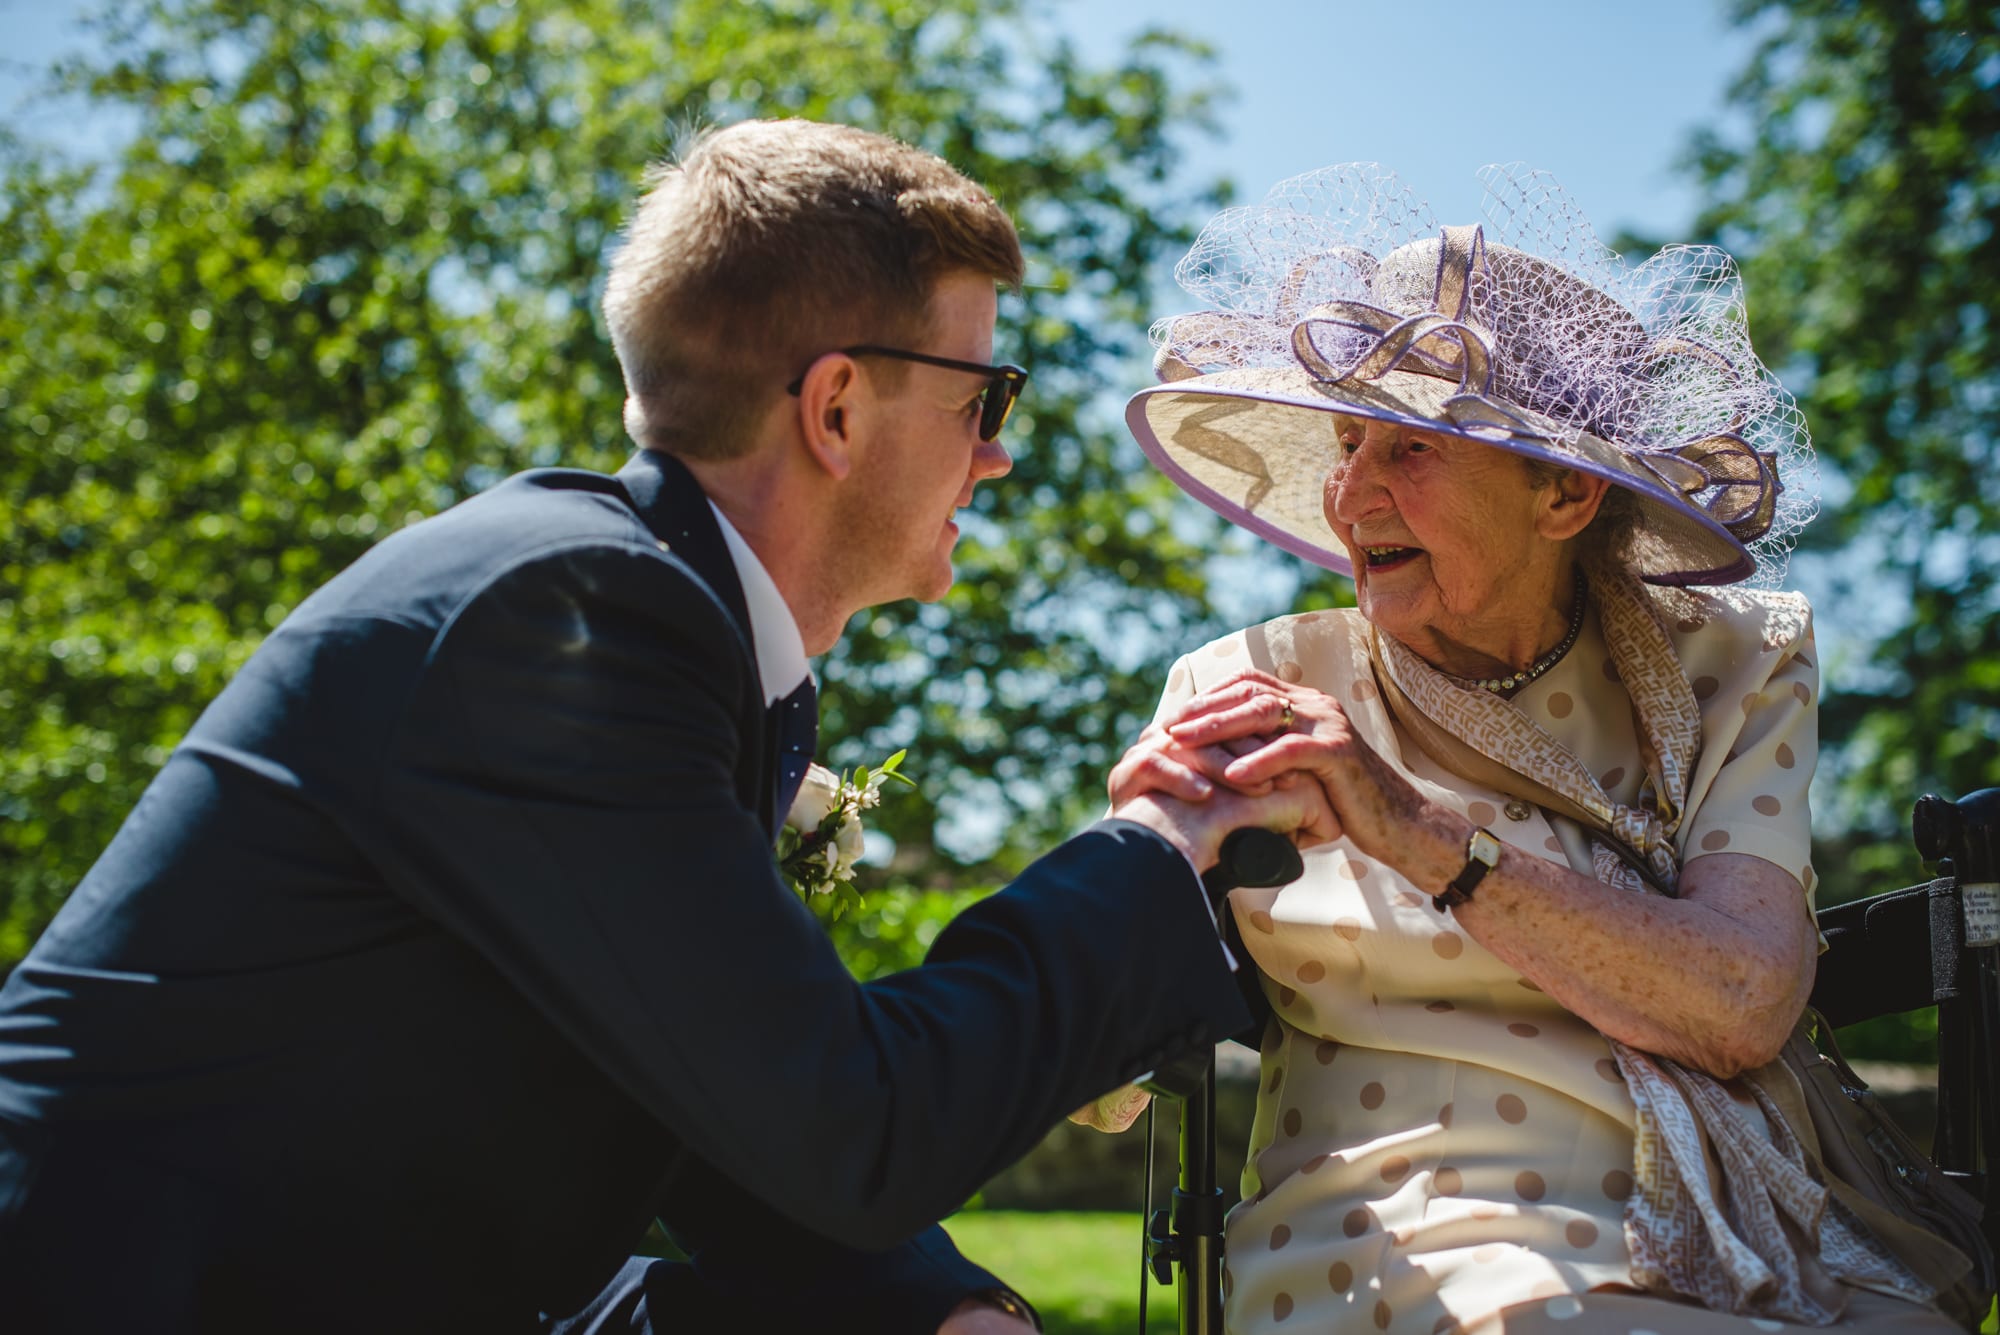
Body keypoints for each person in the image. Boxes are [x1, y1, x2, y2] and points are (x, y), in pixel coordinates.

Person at [0, 120, 1334, 1335]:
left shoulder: (675, 628)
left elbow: (714, 1092)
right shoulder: (571, 618)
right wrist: (1156, 843)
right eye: (985, 396)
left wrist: (938, 1311)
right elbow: (850, 1121)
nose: (998, 452)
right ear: (836, 409)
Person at [1087, 164, 1963, 1332]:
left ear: (1560, 495)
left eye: (1408, 450)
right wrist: (1123, 891)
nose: (1348, 498)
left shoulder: (1733, 664)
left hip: (1754, 1234)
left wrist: (1418, 837)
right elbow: (1094, 1060)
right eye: (1347, 444)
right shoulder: (1252, 687)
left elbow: (1743, 1003)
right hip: (1404, 1242)